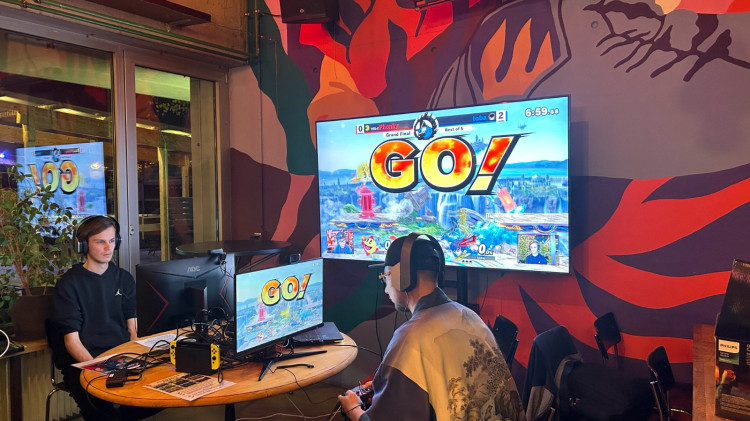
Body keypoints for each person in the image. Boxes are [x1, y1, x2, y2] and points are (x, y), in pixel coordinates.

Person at [338, 233, 524, 421]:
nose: (386, 289)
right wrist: (391, 384)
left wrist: (354, 410)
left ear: (401, 277)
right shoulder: (469, 316)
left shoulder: (410, 338)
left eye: (385, 277)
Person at [52, 215, 158, 420]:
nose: (108, 248)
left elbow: (133, 329)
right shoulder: (68, 285)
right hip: (85, 363)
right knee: (103, 413)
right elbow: (72, 341)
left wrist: (135, 359)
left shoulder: (124, 278)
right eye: (100, 242)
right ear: (83, 245)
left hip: (122, 357)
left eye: (112, 241)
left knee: (155, 397)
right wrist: (99, 369)